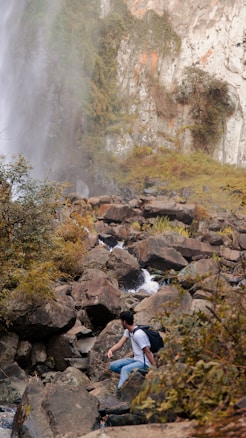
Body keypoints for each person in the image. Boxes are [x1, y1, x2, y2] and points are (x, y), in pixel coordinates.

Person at [107, 310, 156, 389]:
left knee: (124, 369)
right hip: (136, 359)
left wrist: (154, 368)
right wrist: (111, 350)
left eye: (121, 321)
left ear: (125, 322)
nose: (121, 323)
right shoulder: (129, 331)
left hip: (145, 363)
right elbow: (120, 344)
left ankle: (120, 390)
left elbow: (147, 351)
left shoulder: (138, 334)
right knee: (113, 366)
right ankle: (130, 376)